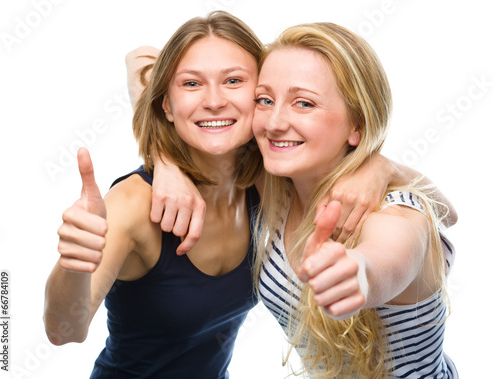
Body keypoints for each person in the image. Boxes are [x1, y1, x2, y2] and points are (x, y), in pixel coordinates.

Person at [43, 11, 264, 378]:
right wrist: (74, 264)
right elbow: (62, 332)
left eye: (234, 80)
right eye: (191, 84)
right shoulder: (132, 206)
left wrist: (387, 171)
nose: (213, 100)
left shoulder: (267, 185)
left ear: (262, 95)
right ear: (166, 105)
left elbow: (143, 64)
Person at [252, 22, 458, 377]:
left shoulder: (393, 215)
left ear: (357, 126)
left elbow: (386, 259)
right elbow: (188, 120)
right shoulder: (274, 189)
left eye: (304, 103)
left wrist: (358, 273)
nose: (273, 121)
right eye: (264, 99)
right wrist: (166, 165)